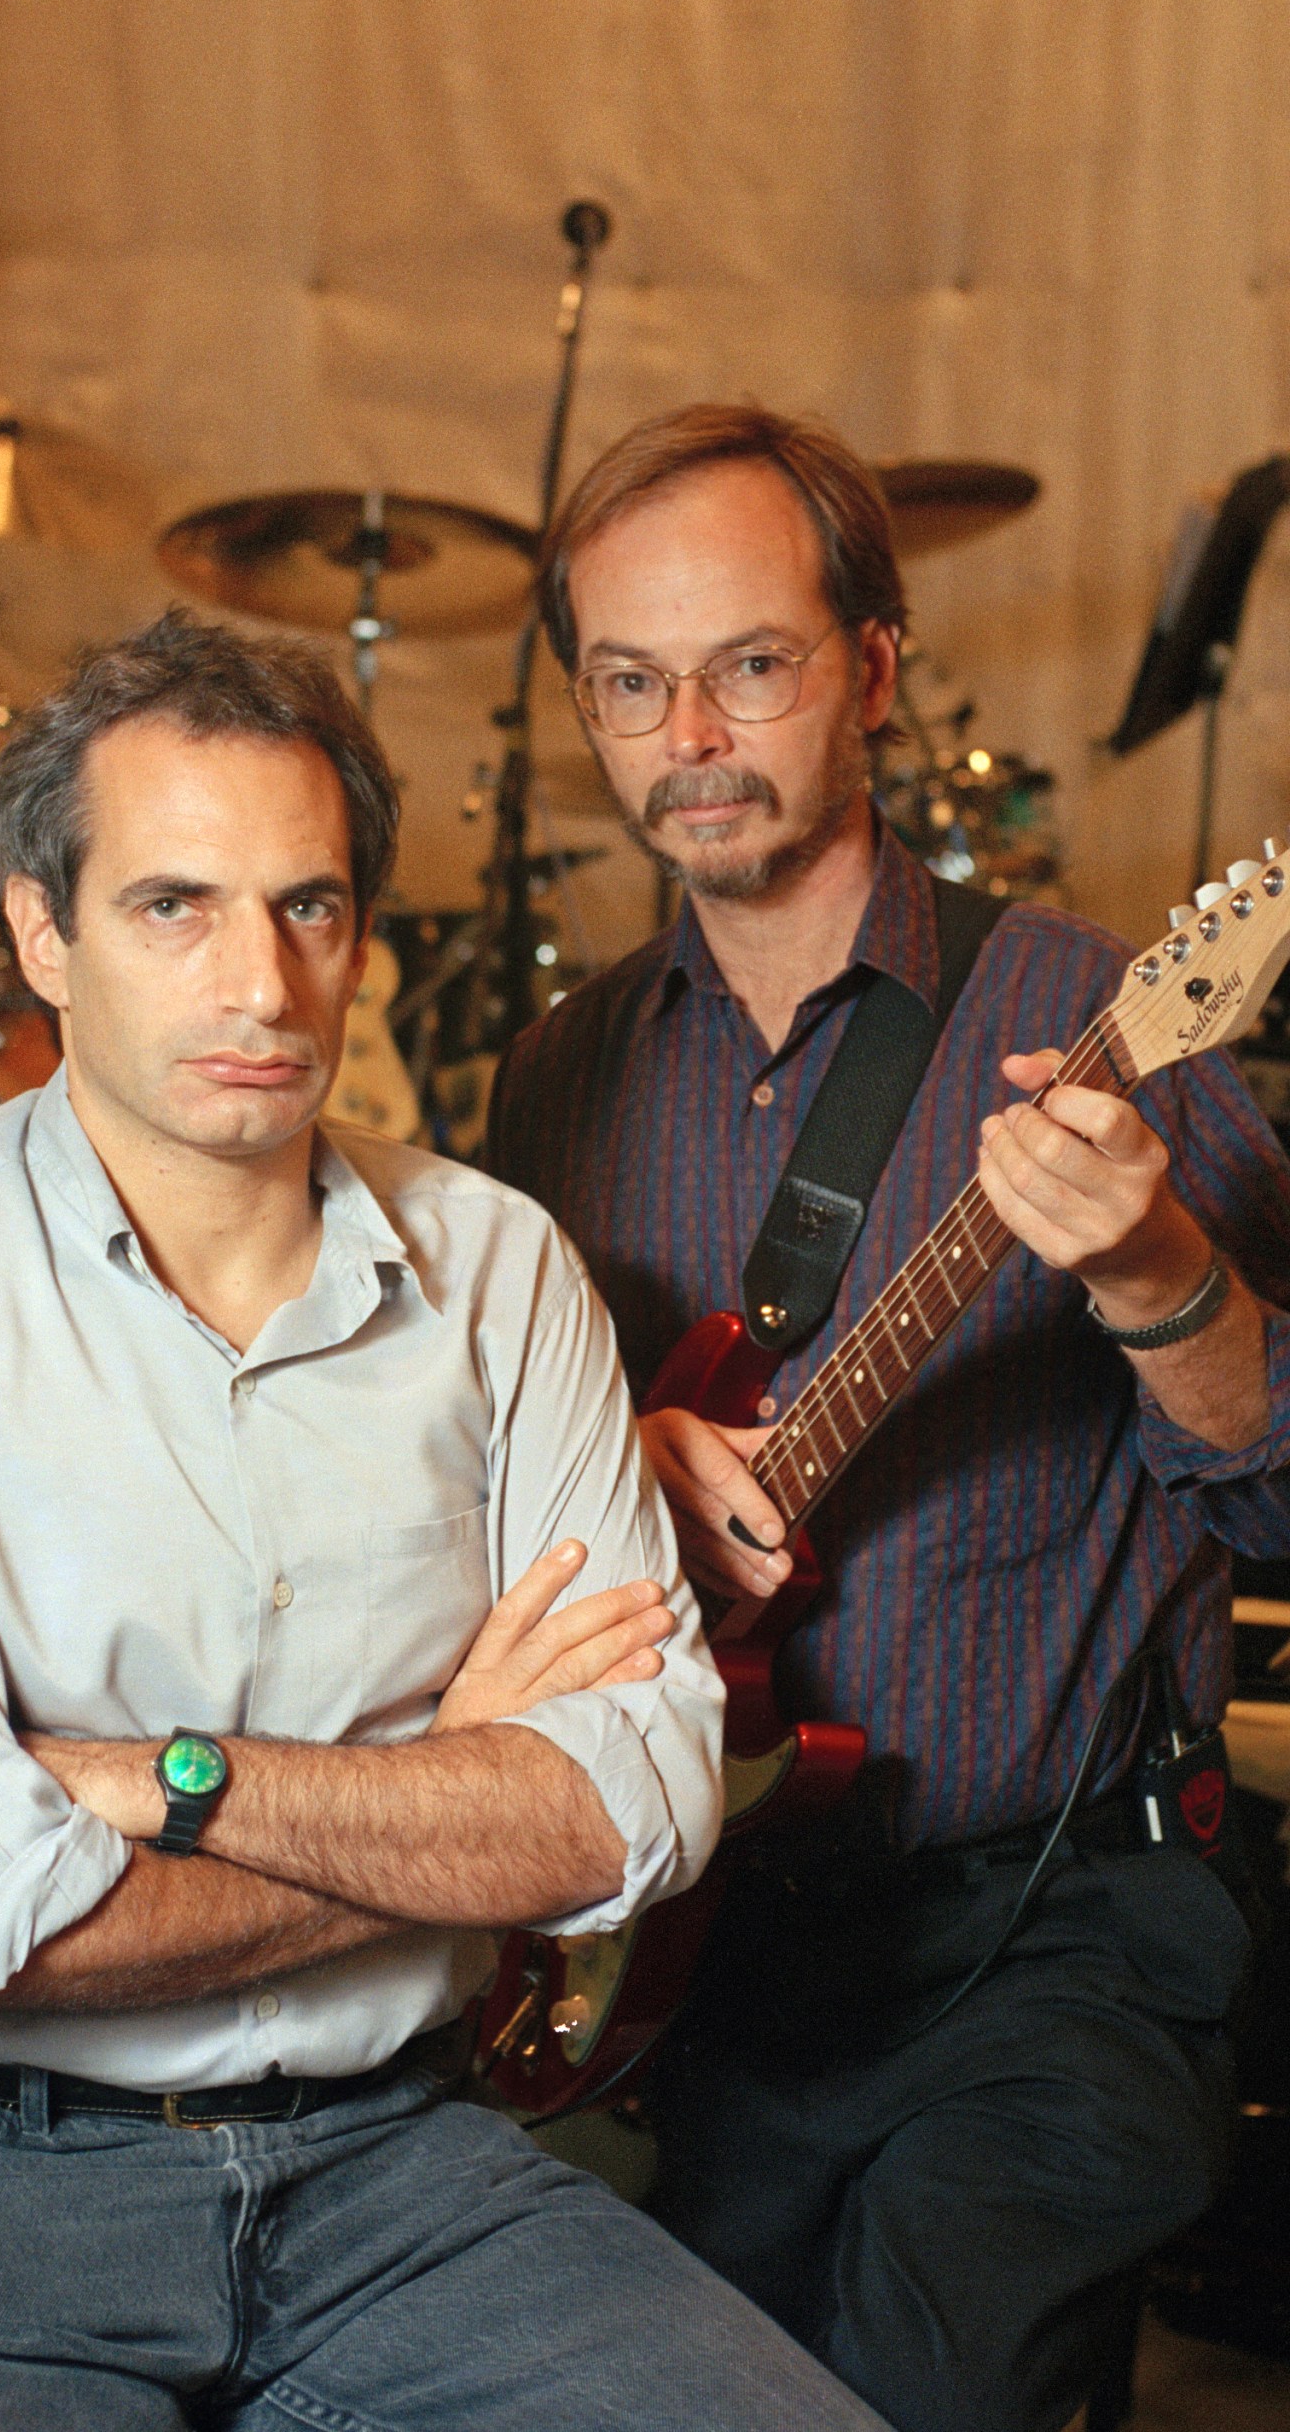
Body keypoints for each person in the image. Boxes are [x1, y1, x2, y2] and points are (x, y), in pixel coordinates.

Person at [0, 609, 890, 2432]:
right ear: (41, 932)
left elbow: (630, 1813)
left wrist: (158, 1782)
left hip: (396, 2171)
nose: (262, 982)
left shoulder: (499, 1270)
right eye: (175, 904)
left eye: (310, 907)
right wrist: (449, 1786)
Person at [485, 404, 1290, 2432]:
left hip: (1059, 1933)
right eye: (630, 680)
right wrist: (611, 1465)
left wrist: (1156, 1276)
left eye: (748, 664)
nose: (690, 734)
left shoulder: (1108, 1024)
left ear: (872, 667)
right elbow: (486, 1510)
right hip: (719, 1941)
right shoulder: (559, 1078)